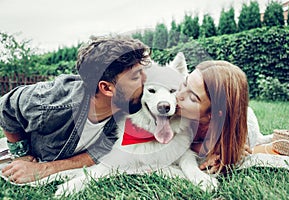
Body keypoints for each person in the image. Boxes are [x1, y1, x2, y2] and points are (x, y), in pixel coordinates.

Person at [0, 36, 151, 183]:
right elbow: (6, 107)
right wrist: (21, 154)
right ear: (106, 88)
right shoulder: (51, 102)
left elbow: (99, 152)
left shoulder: (130, 106)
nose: (148, 80)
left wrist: (45, 169)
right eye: (135, 77)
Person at [176, 60, 251, 174]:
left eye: (192, 98)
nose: (179, 94)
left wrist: (224, 155)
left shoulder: (226, 137)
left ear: (213, 114)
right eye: (185, 83)